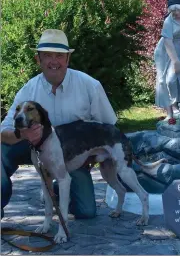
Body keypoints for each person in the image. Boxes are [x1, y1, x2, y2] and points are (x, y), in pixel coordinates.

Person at [1, 29, 118, 219]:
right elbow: (2, 130)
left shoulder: (90, 86)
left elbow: (108, 128)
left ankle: (55, 186)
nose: (53, 61)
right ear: (37, 60)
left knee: (86, 211)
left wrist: (92, 153)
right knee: (2, 152)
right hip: (31, 147)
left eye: (59, 56)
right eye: (47, 56)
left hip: (71, 156)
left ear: (68, 60)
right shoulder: (28, 90)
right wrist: (22, 135)